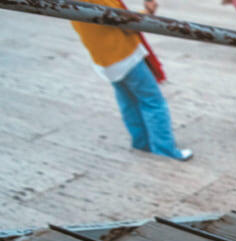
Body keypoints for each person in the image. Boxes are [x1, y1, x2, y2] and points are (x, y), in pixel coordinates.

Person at [71, 0, 191, 160]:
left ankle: (142, 143)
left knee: (129, 102)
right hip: (124, 54)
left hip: (104, 58)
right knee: (153, 102)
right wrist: (147, 13)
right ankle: (164, 149)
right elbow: (124, 22)